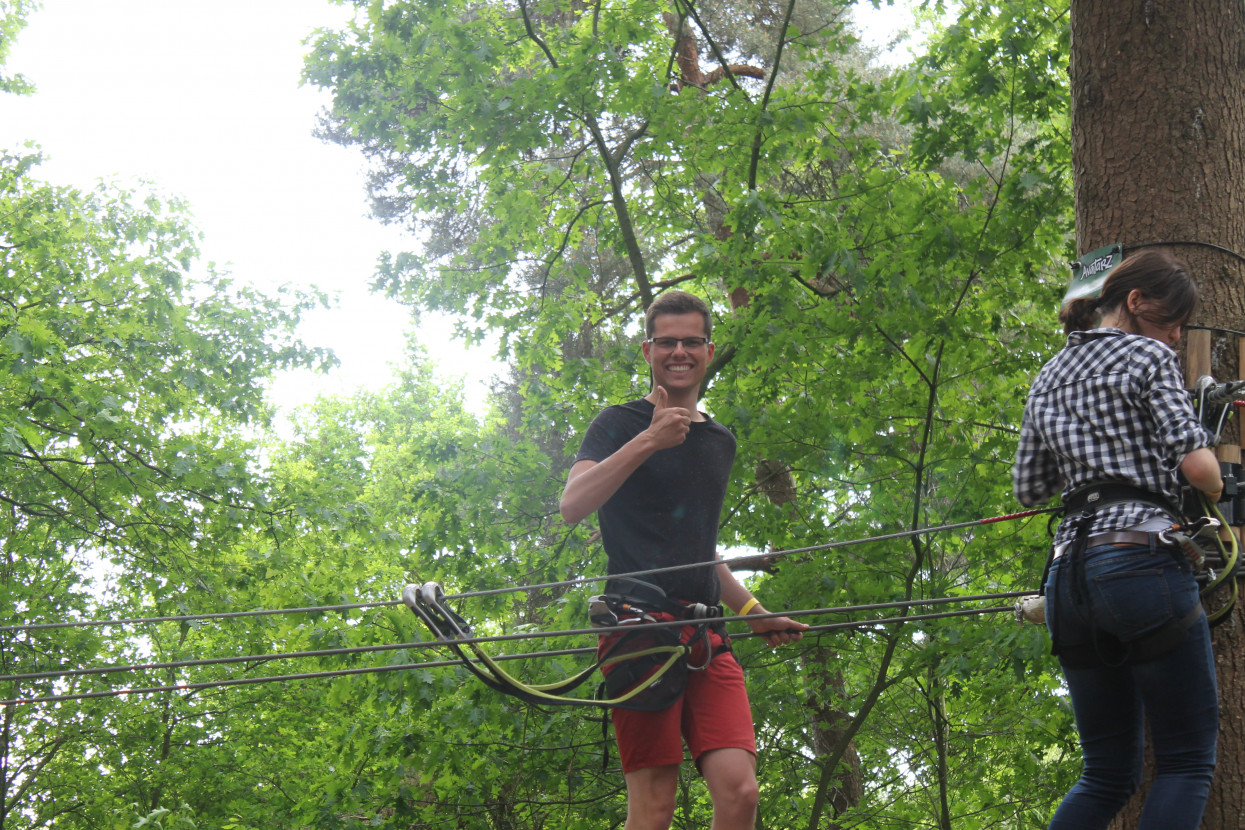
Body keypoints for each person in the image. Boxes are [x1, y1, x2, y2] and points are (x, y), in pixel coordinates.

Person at [560, 289, 808, 830]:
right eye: (667, 342)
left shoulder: (719, 440)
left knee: (740, 793)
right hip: (637, 631)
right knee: (653, 812)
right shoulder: (618, 423)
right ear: (648, 351)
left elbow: (701, 548)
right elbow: (573, 505)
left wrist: (754, 613)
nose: (679, 351)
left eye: (691, 341)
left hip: (706, 634)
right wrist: (647, 441)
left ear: (709, 350)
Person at [1013, 249, 1222, 830]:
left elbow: (1030, 489)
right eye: (1174, 321)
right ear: (1136, 302)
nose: (1178, 336)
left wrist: (1086, 455)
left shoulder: (1048, 375)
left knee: (1105, 774)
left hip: (1067, 582)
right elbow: (1201, 471)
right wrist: (1214, 472)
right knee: (1185, 761)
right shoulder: (1148, 355)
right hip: (1140, 560)